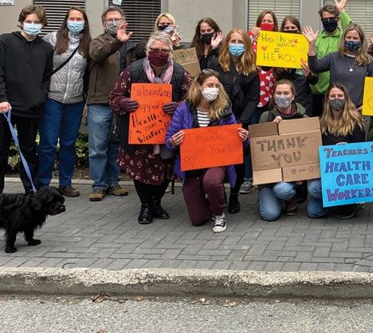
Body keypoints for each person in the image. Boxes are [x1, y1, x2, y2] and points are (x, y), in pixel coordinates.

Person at [109, 31, 191, 225]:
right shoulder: (133, 70)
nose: (159, 53)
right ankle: (145, 204)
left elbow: (193, 100)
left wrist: (180, 106)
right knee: (141, 169)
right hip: (139, 131)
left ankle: (156, 202)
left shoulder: (180, 73)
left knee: (165, 168)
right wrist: (124, 102)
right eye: (154, 50)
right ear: (147, 51)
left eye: (164, 50)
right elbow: (114, 96)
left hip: (168, 133)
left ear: (171, 52)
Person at [165, 69, 249, 234]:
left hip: (216, 162)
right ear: (199, 87)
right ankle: (212, 197)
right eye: (210, 85)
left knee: (211, 181)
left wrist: (244, 138)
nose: (214, 89)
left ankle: (219, 214)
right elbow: (168, 142)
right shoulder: (184, 109)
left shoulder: (224, 110)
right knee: (198, 220)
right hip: (192, 165)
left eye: (217, 86)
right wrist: (174, 141)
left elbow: (235, 143)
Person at [0, 4, 54, 194]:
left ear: (42, 25)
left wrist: (40, 96)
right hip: (4, 107)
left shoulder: (46, 48)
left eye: (36, 22)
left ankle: (31, 190)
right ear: (21, 23)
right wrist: (0, 98)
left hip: (30, 108)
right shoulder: (5, 41)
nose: (32, 25)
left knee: (29, 151)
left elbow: (46, 77)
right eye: (28, 21)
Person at [85, 5, 140, 202]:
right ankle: (99, 185)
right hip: (99, 100)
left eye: (117, 19)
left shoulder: (130, 45)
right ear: (103, 24)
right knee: (98, 146)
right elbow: (98, 55)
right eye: (109, 20)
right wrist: (117, 41)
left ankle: (113, 182)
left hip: (122, 102)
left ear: (124, 21)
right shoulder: (97, 42)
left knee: (116, 144)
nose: (113, 22)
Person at [35, 6, 91, 197]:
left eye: (79, 19)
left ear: (85, 22)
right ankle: (42, 184)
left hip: (75, 102)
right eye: (72, 18)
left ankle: (65, 184)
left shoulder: (88, 44)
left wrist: (86, 101)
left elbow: (89, 75)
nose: (75, 22)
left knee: (68, 144)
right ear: (66, 20)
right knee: (48, 144)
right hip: (52, 98)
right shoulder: (52, 38)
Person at [205, 27, 260, 215]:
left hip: (239, 119)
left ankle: (234, 195)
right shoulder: (216, 62)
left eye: (240, 42)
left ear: (246, 45)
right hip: (216, 119)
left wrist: (242, 121)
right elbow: (203, 84)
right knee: (215, 158)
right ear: (227, 43)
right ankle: (217, 193)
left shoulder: (252, 69)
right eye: (232, 41)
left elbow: (254, 99)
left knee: (238, 159)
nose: (236, 45)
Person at [310, 83, 368, 219]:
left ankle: (351, 202)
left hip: (348, 175)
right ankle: (334, 201)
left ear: (346, 98)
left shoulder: (356, 122)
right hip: (328, 173)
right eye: (333, 96)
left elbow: (360, 152)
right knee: (314, 207)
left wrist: (347, 149)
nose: (337, 99)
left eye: (340, 96)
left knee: (345, 211)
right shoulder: (321, 122)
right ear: (327, 99)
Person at [255, 79, 309, 221]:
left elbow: (309, 150)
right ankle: (270, 196)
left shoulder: (303, 118)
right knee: (270, 215)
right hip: (269, 178)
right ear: (273, 95)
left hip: (290, 178)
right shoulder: (266, 117)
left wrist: (303, 174)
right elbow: (257, 150)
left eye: (286, 93)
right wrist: (271, 129)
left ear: (293, 96)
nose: (282, 96)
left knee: (283, 190)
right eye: (279, 93)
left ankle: (289, 199)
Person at [240, 9, 279, 195]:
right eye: (263, 20)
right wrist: (250, 37)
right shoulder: (251, 42)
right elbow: (241, 56)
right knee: (251, 139)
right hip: (252, 99)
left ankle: (267, 177)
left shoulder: (280, 43)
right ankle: (248, 178)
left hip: (272, 99)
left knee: (268, 141)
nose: (266, 23)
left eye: (270, 20)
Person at [304, 22, 373, 111]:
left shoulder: (368, 61)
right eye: (349, 37)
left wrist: (366, 106)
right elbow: (315, 66)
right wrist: (311, 44)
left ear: (361, 41)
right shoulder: (334, 57)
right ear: (344, 39)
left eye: (355, 38)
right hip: (336, 111)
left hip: (359, 112)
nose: (351, 40)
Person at [308, 0, 352, 116]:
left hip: (339, 92)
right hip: (319, 92)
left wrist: (342, 11)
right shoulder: (315, 40)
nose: (328, 21)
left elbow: (352, 30)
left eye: (331, 18)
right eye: (325, 19)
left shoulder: (344, 37)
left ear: (337, 19)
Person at [273, 15, 319, 113]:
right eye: (287, 28)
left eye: (293, 28)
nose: (290, 30)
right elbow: (265, 67)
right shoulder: (276, 47)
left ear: (298, 30)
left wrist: (310, 75)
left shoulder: (307, 47)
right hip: (282, 97)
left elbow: (315, 79)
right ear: (282, 30)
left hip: (303, 96)